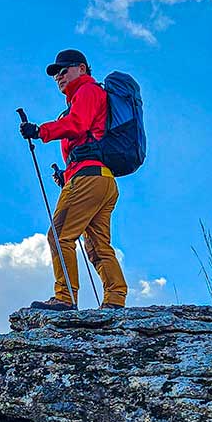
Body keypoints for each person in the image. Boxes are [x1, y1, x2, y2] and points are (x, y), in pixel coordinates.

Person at [20, 48, 128, 311]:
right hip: (103, 180)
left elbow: (77, 124)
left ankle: (65, 297)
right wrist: (66, 175)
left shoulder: (87, 91)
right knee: (98, 245)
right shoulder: (89, 95)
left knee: (59, 236)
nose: (58, 76)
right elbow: (86, 138)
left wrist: (40, 131)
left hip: (88, 179)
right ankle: (115, 299)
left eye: (63, 70)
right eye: (55, 74)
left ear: (82, 68)